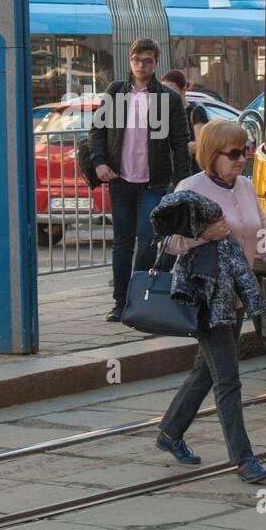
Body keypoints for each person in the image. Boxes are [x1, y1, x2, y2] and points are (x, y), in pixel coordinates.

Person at [156, 119, 266, 484]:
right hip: (205, 296)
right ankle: (243, 459)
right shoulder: (190, 188)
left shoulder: (245, 187)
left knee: (205, 371)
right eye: (233, 153)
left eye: (245, 151)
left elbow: (264, 240)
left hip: (236, 295)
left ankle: (169, 433)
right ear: (213, 154)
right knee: (227, 379)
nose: (241, 159)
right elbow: (166, 242)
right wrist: (201, 235)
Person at [88, 38, 191, 323]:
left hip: (153, 183)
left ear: (156, 63)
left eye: (147, 61)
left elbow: (181, 143)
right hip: (120, 181)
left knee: (146, 239)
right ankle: (120, 302)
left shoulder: (167, 99)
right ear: (130, 61)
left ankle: (138, 296)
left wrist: (183, 183)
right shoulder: (116, 92)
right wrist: (99, 163)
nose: (141, 66)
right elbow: (96, 131)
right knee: (122, 243)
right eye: (137, 60)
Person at [162, 69, 209, 173]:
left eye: (171, 90)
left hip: (192, 172)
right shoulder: (163, 113)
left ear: (183, 90)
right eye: (163, 90)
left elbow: (202, 145)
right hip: (170, 174)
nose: (167, 94)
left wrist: (175, 147)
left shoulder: (196, 112)